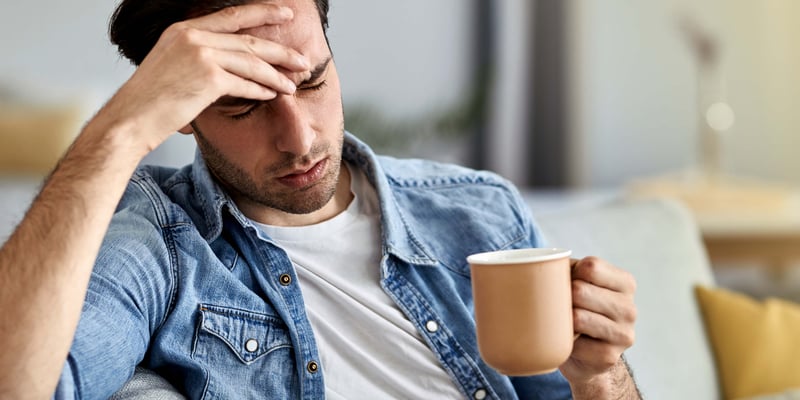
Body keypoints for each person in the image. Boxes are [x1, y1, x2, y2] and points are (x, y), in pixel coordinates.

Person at [0, 0, 640, 398]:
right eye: (244, 106)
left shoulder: (478, 208)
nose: (299, 139)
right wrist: (120, 129)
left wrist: (600, 376)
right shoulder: (158, 246)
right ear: (184, 115)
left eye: (312, 81)